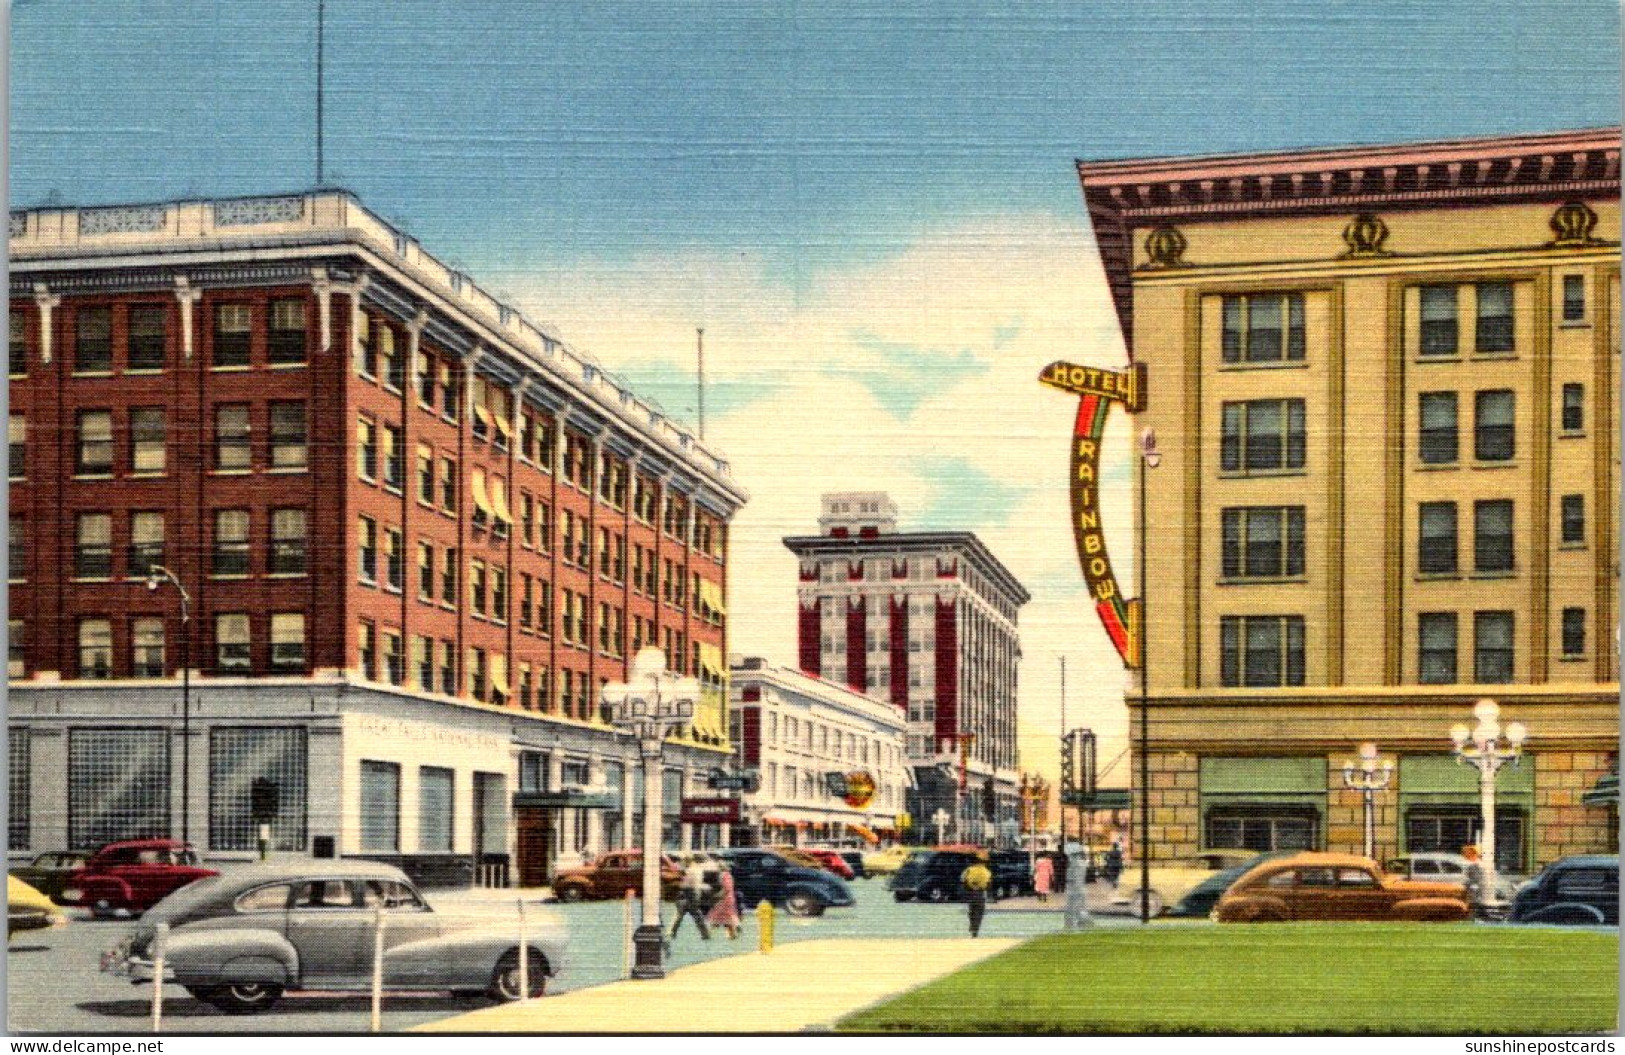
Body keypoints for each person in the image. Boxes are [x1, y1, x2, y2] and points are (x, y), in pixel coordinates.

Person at [670, 855, 712, 941]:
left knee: (680, 914)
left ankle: (672, 932)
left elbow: (685, 884)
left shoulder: (689, 871)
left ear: (687, 861)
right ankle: (705, 934)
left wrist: (679, 884)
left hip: (688, 893)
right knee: (696, 914)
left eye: (684, 862)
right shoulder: (698, 869)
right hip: (695, 893)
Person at [706, 863, 742, 940]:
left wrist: (718, 896)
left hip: (724, 900)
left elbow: (726, 889)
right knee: (727, 918)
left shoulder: (724, 876)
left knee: (714, 916)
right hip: (728, 899)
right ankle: (733, 932)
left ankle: (707, 933)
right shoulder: (727, 875)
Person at [961, 854, 993, 937]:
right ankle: (975, 928)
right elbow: (989, 884)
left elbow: (963, 880)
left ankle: (972, 925)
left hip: (970, 893)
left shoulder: (969, 870)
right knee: (979, 912)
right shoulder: (987, 872)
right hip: (980, 893)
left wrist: (967, 888)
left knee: (972, 910)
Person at [1461, 844, 1486, 912]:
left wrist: (1467, 884)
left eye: (1466, 853)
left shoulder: (1475, 864)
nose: (1464, 855)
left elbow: (1474, 879)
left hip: (1473, 889)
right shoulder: (1475, 863)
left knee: (1473, 905)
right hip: (1474, 888)